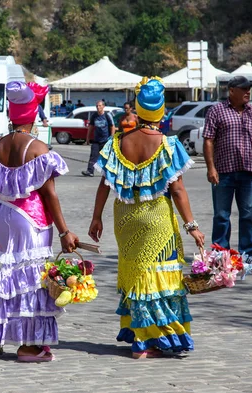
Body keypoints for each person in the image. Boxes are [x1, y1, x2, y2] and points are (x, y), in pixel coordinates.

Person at [0, 81, 79, 362]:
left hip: (2, 215)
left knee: (11, 275)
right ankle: (29, 345)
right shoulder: (38, 149)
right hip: (30, 219)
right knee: (32, 280)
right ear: (33, 116)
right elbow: (49, 195)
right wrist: (64, 232)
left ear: (12, 115)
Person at [88, 77, 204, 359]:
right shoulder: (166, 144)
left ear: (138, 110)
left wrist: (96, 218)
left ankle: (140, 337)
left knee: (136, 275)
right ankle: (152, 340)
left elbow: (105, 183)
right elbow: (177, 190)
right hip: (156, 220)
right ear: (162, 112)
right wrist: (192, 226)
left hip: (125, 220)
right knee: (157, 277)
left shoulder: (117, 143)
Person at [202, 76, 252, 268]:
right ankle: (220, 254)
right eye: (244, 89)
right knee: (221, 215)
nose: (248, 92)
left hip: (248, 172)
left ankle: (248, 254)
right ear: (232, 91)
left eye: (249, 89)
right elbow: (208, 140)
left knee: (250, 214)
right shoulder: (217, 110)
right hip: (223, 172)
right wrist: (211, 168)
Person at [82, 100, 115, 177]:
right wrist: (87, 138)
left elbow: (112, 126)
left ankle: (109, 173)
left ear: (103, 106)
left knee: (107, 156)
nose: (98, 107)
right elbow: (90, 127)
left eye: (100, 106)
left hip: (106, 140)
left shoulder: (107, 115)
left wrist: (112, 137)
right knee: (93, 156)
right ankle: (90, 171)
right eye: (97, 106)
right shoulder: (94, 116)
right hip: (96, 140)